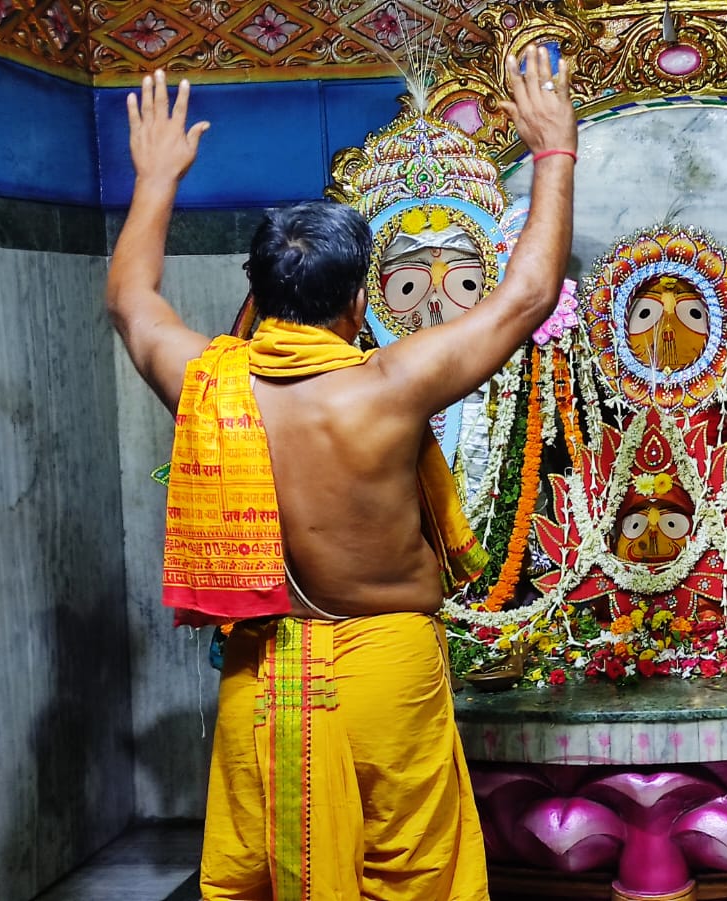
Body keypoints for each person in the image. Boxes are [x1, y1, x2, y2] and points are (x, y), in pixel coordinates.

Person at [105, 45, 577, 900]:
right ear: (360, 300)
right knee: (413, 877)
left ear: (258, 294)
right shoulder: (391, 386)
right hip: (387, 673)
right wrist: (553, 149)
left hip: (265, 675)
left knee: (276, 869)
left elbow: (132, 302)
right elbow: (528, 295)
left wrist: (156, 176)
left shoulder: (206, 380)